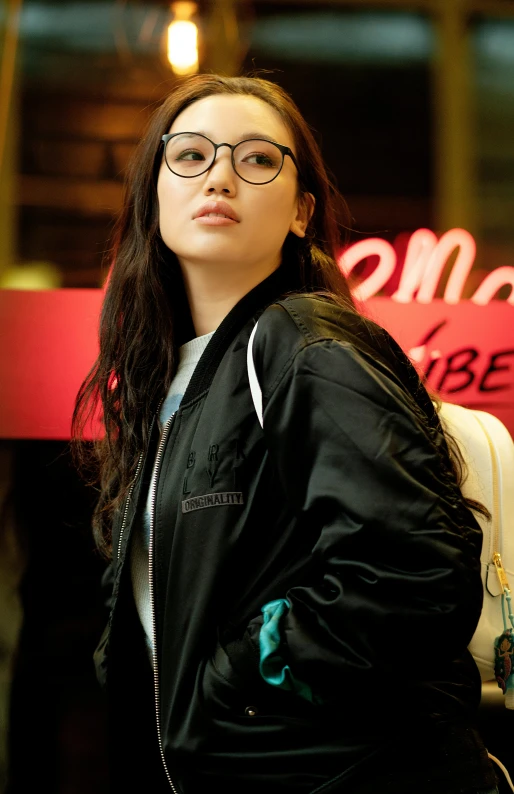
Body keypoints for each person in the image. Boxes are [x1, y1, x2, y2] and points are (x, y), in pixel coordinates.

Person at [73, 74, 498, 794]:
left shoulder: (304, 343)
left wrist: (231, 682)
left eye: (258, 160)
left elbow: (410, 571)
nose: (221, 176)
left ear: (302, 211)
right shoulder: (170, 386)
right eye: (192, 156)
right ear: (153, 194)